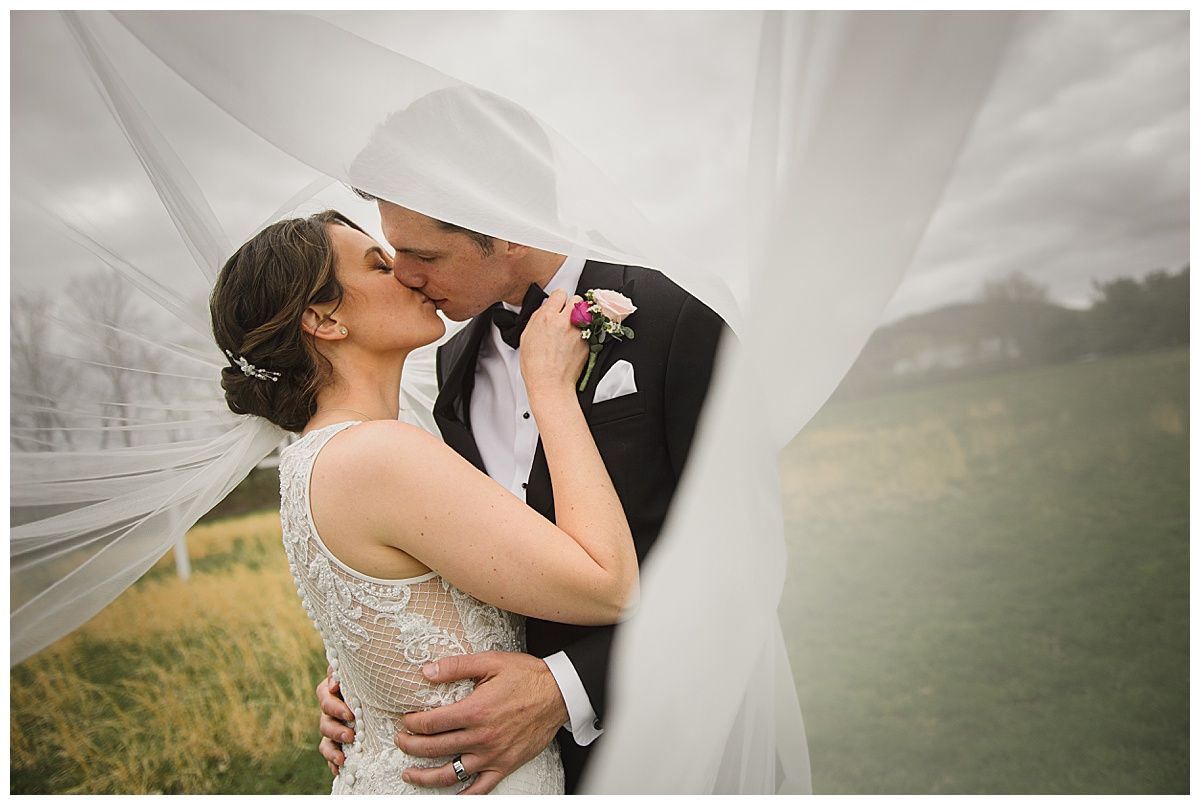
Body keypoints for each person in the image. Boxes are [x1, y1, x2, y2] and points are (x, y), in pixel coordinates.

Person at [211, 208, 644, 794]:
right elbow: (609, 586)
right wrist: (549, 390)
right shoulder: (379, 456)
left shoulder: (313, 460)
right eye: (379, 265)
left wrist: (363, 687)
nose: (409, 276)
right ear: (324, 319)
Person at [315, 193, 726, 793]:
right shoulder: (452, 362)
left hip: (676, 739)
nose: (405, 275)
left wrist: (566, 689)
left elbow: (741, 555)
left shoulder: (682, 312)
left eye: (422, 253)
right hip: (510, 768)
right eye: (391, 253)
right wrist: (368, 675)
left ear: (508, 230)